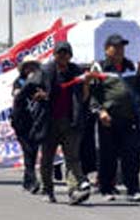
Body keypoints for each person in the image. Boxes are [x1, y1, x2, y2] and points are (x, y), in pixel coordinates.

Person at [89, 34, 140, 202]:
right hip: (108, 119)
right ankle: (106, 189)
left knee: (131, 155)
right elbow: (93, 94)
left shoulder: (131, 66)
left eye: (122, 46)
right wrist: (100, 111)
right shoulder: (99, 67)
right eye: (115, 46)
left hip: (130, 118)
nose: (119, 50)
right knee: (108, 155)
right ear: (106, 49)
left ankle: (133, 189)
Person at [29, 41, 92, 205]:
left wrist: (86, 84)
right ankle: (47, 190)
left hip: (70, 121)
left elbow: (83, 98)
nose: (63, 56)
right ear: (54, 55)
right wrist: (38, 95)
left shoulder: (76, 72)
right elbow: (31, 90)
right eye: (60, 53)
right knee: (47, 158)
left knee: (72, 158)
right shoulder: (45, 71)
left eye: (66, 53)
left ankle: (73, 191)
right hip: (49, 122)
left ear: (70, 56)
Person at [10, 55, 43, 193]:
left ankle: (27, 180)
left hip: (35, 121)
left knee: (33, 151)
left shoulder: (40, 82)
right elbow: (17, 94)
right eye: (28, 66)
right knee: (28, 149)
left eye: (33, 66)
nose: (31, 69)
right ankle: (33, 181)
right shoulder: (19, 82)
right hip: (21, 121)